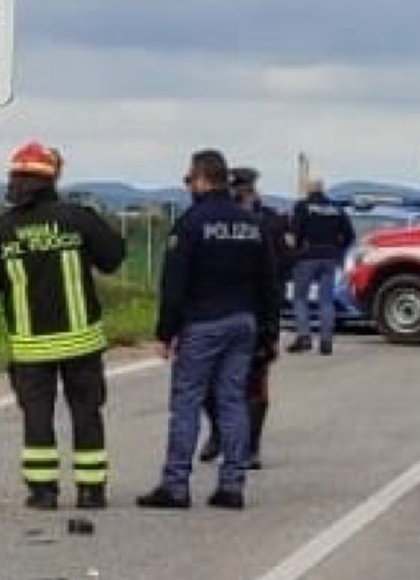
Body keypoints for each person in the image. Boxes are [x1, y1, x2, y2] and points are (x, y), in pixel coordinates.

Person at [0, 140, 130, 510]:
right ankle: (91, 490)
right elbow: (113, 257)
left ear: (14, 179)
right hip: (81, 342)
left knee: (37, 417)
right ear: (52, 178)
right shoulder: (78, 218)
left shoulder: (1, 229)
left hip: (31, 346)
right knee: (86, 413)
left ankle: (43, 492)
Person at [137, 149, 280, 510]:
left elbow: (174, 283)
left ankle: (175, 486)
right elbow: (269, 282)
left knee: (186, 402)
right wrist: (270, 331)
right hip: (244, 322)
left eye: (189, 178)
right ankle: (232, 485)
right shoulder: (251, 223)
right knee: (233, 401)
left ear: (201, 178)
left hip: (203, 322)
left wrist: (165, 332)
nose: (188, 185)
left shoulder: (191, 222)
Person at [200, 166, 289, 468]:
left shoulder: (271, 223)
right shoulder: (209, 218)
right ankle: (218, 433)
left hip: (256, 313)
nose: (241, 197)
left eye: (245, 192)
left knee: (254, 385)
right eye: (236, 192)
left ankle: (251, 446)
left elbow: (279, 275)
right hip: (213, 312)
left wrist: (272, 329)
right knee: (207, 383)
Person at [286, 177, 356, 354]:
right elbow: (349, 234)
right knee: (326, 300)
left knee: (300, 298)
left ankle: (304, 336)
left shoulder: (302, 206)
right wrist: (338, 250)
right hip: (329, 257)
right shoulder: (336, 208)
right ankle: (326, 342)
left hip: (307, 256)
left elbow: (295, 233)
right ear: (322, 189)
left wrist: (293, 252)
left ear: (308, 189)